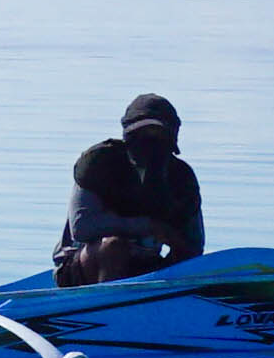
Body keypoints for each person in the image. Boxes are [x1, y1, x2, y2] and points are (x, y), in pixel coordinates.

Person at [54, 92, 204, 285]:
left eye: (159, 135)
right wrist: (147, 226)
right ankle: (104, 307)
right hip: (79, 268)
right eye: (144, 134)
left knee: (186, 257)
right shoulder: (98, 164)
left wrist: (176, 244)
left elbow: (194, 244)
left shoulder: (182, 178)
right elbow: (81, 228)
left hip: (144, 265)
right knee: (114, 246)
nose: (151, 142)